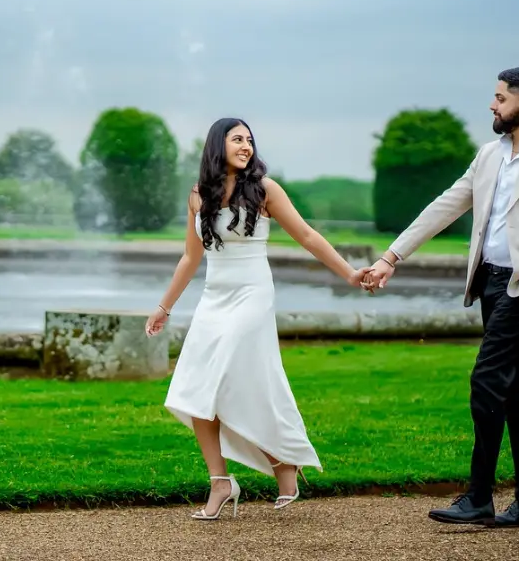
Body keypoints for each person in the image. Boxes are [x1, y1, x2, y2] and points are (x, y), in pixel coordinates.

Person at [362, 67, 519, 528]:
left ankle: (479, 495)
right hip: (489, 281)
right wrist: (391, 256)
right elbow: (445, 205)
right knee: (514, 388)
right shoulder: (489, 155)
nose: (492, 104)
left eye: (500, 97)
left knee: (486, 378)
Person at [145, 117, 372, 520]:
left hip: (253, 296)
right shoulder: (198, 195)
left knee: (232, 379)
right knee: (196, 386)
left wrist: (350, 272)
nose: (246, 146)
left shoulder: (265, 189)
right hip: (215, 298)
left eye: (249, 140)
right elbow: (190, 257)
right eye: (237, 139)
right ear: (218, 145)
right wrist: (164, 307)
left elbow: (307, 236)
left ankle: (283, 461)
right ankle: (222, 482)